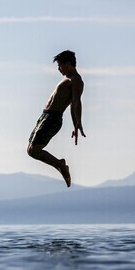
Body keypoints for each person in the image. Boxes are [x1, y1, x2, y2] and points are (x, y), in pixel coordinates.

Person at [26, 50, 85, 187]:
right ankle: (61, 164)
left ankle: (61, 166)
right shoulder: (67, 79)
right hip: (45, 117)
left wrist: (78, 123)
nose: (59, 69)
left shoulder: (76, 80)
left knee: (34, 151)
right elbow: (71, 104)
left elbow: (75, 102)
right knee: (30, 150)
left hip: (53, 118)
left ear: (69, 64)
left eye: (60, 66)